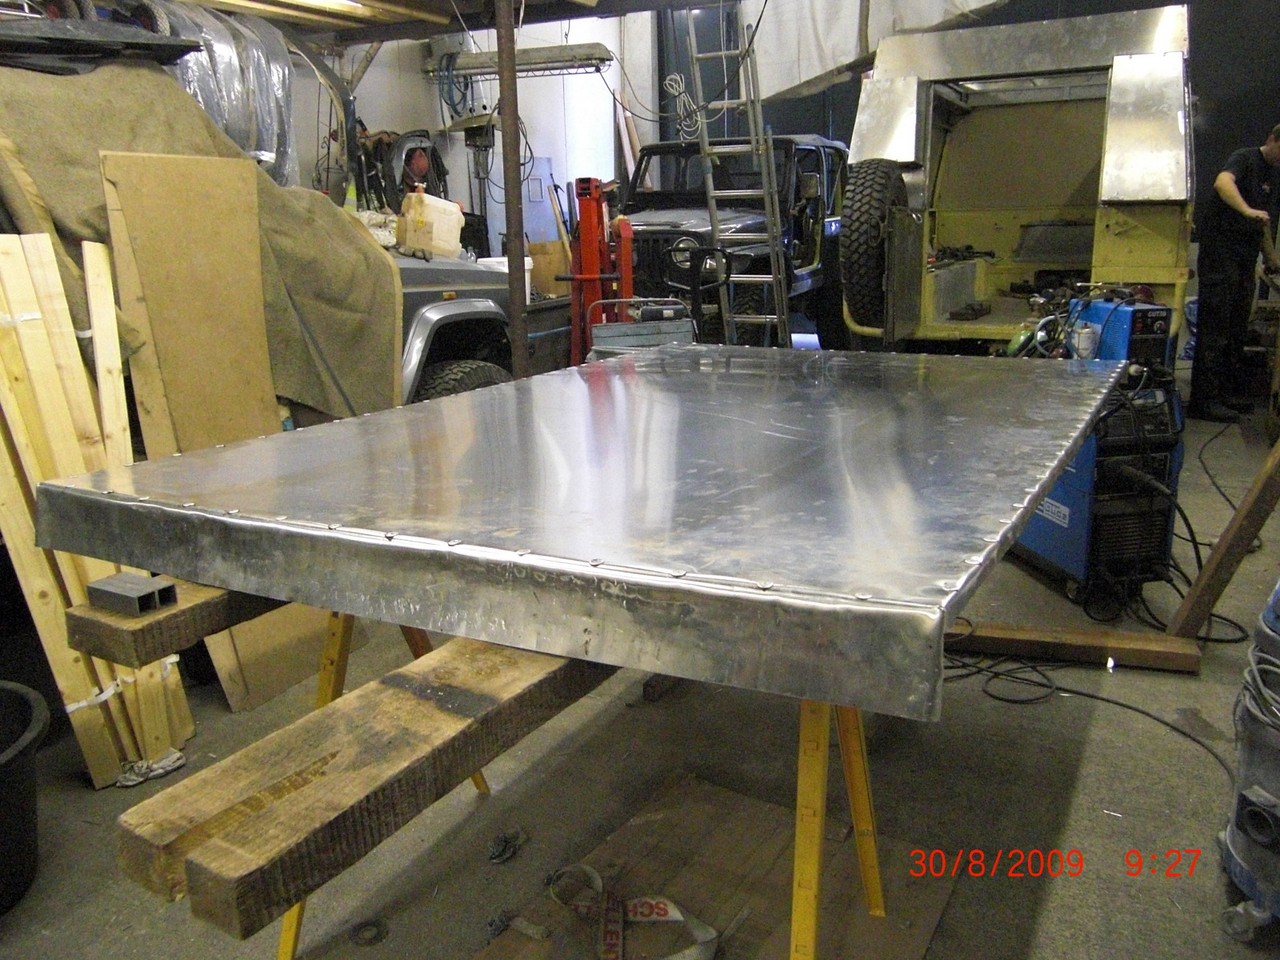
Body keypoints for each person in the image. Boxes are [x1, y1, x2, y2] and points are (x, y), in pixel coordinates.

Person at [1188, 125, 1280, 422]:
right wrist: (1246, 210)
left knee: (1236, 328)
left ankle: (1224, 394)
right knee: (1215, 328)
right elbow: (1222, 183)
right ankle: (1203, 401)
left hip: (1244, 258)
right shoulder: (1244, 158)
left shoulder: (1273, 175)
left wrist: (1271, 258)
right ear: (1272, 139)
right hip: (1220, 254)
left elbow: (1263, 221)